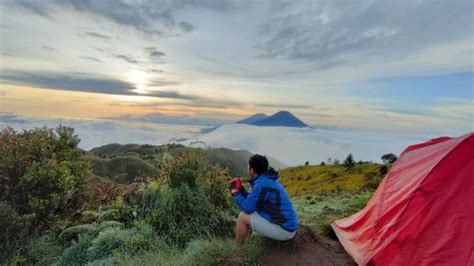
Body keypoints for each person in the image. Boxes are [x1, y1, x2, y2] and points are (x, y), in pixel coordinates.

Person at [227, 154, 298, 244]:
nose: (247, 168)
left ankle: (237, 250)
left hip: (284, 230)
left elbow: (247, 208)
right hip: (287, 225)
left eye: (248, 166)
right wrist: (241, 189)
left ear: (252, 170)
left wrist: (234, 192)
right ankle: (245, 243)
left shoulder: (262, 184)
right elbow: (253, 201)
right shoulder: (267, 180)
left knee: (242, 217)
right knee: (249, 213)